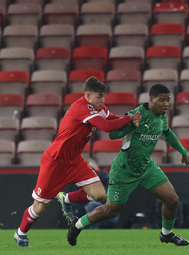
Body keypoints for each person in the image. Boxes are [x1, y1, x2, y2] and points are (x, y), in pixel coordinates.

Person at [14, 77, 141, 247]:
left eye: (103, 96)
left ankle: (66, 198)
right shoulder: (81, 107)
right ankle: (21, 234)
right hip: (55, 161)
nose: (102, 100)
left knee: (99, 195)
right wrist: (129, 118)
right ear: (87, 95)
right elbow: (107, 127)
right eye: (99, 96)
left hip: (75, 160)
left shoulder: (99, 108)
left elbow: (112, 119)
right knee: (39, 207)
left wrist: (129, 119)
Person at [66, 84, 189, 246]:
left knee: (172, 199)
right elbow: (113, 134)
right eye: (162, 100)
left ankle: (166, 234)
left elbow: (167, 133)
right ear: (151, 100)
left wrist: (182, 151)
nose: (166, 104)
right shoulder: (136, 114)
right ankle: (77, 225)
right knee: (111, 210)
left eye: (168, 100)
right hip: (124, 170)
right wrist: (131, 125)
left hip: (146, 167)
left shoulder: (162, 117)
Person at [58, 158, 120, 229]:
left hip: (107, 213)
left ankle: (92, 231)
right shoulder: (81, 181)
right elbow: (76, 197)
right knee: (73, 204)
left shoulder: (107, 178)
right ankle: (75, 228)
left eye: (91, 168)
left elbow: (107, 197)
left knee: (92, 205)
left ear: (96, 166)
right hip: (86, 211)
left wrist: (91, 196)